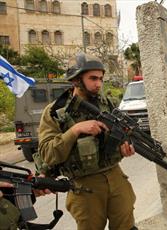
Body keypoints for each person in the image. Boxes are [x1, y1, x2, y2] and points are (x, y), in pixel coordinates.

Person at [38, 53, 137, 230]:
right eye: (92, 78)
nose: (98, 83)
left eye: (100, 78)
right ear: (76, 79)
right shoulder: (56, 112)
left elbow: (121, 136)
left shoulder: (107, 104)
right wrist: (75, 130)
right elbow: (48, 153)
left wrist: (123, 149)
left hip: (115, 176)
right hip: (85, 186)